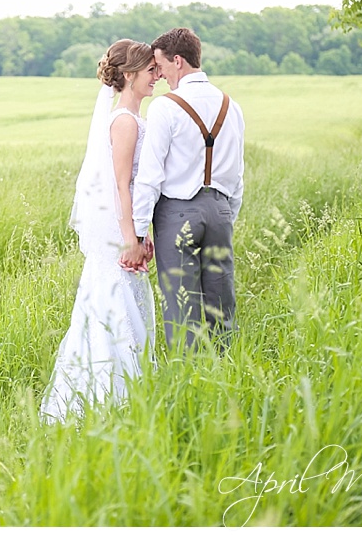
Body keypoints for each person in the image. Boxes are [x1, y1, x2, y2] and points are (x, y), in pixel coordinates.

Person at [40, 39, 159, 423]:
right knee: (116, 305)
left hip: (125, 227)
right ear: (129, 76)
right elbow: (121, 185)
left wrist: (142, 233)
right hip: (117, 233)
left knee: (118, 303)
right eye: (149, 71)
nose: (156, 76)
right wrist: (131, 238)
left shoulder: (130, 118)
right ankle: (115, 396)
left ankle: (120, 395)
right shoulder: (124, 122)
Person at [121, 28, 245, 352]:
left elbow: (150, 176)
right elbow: (237, 175)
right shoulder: (232, 106)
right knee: (222, 308)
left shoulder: (165, 107)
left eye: (160, 66)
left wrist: (137, 232)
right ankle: (225, 376)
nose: (159, 74)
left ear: (177, 61)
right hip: (220, 212)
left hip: (177, 214)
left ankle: (188, 381)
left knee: (181, 311)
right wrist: (226, 216)